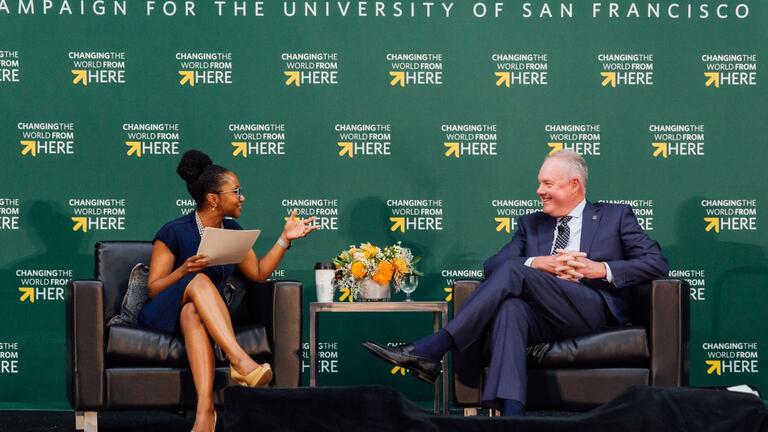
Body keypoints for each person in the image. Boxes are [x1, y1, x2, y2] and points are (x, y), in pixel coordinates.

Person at [363, 150, 669, 417]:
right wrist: (537, 263)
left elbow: (657, 262)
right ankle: (513, 414)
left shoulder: (614, 217)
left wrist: (598, 269)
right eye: (539, 183)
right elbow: (492, 264)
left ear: (574, 185)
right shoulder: (531, 224)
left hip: (589, 307)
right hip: (544, 315)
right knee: (511, 307)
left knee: (515, 272)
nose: (539, 191)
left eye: (548, 184)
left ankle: (434, 348)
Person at [138, 149, 319, 432]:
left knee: (192, 312)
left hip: (202, 313)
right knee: (198, 281)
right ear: (213, 199)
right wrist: (183, 271)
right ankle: (239, 360)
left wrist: (285, 239)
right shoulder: (174, 231)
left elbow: (257, 273)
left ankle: (205, 413)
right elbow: (153, 290)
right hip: (162, 312)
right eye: (235, 192)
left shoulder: (232, 229)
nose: (242, 197)